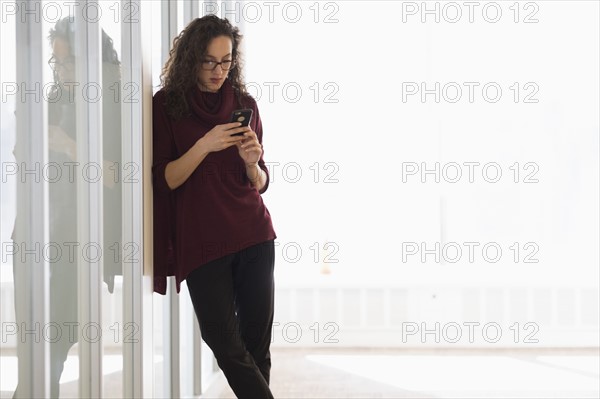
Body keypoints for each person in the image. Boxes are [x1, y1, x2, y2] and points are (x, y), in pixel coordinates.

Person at [152, 15, 277, 399]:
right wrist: (205, 144)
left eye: (226, 61)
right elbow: (165, 179)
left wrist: (252, 162)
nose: (218, 70)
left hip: (254, 235)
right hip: (203, 243)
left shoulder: (245, 104)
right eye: (209, 61)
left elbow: (261, 184)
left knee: (256, 347)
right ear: (191, 58)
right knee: (224, 343)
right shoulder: (166, 106)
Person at [11, 16, 122, 398]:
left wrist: (70, 146)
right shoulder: (50, 98)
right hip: (33, 233)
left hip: (78, 240)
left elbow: (119, 178)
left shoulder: (113, 104)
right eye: (56, 62)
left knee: (56, 339)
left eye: (69, 62)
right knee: (35, 338)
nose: (60, 71)